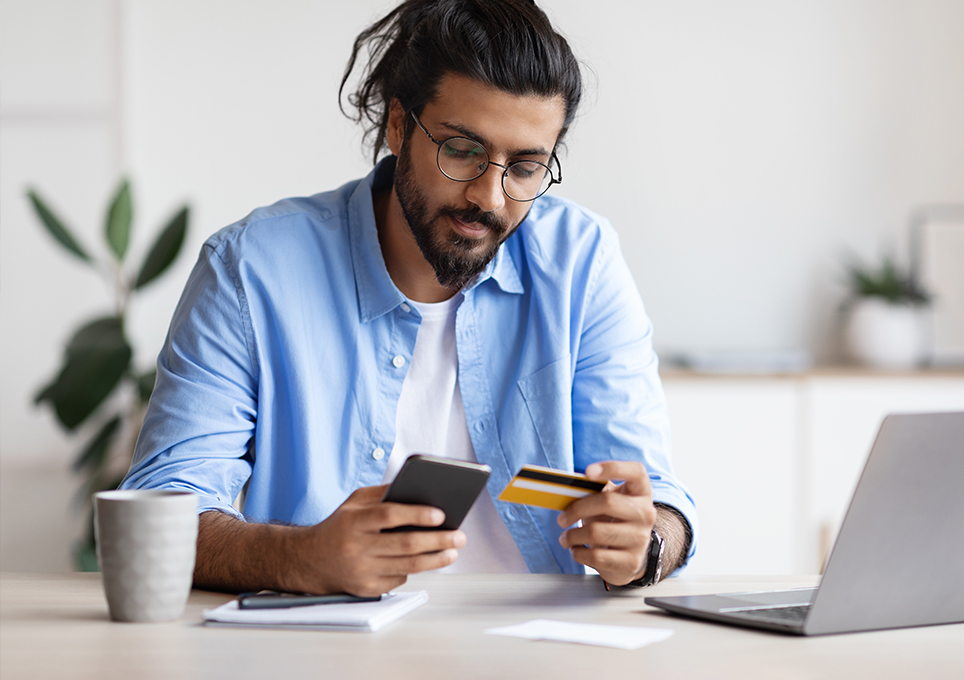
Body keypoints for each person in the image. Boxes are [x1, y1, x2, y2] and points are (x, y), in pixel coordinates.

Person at [121, 0, 697, 597]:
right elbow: (159, 511)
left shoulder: (582, 262)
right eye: (462, 151)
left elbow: (662, 504)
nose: (491, 197)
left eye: (526, 166)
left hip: (536, 646)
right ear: (398, 126)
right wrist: (298, 557)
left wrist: (646, 542)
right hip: (322, 647)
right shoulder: (251, 269)